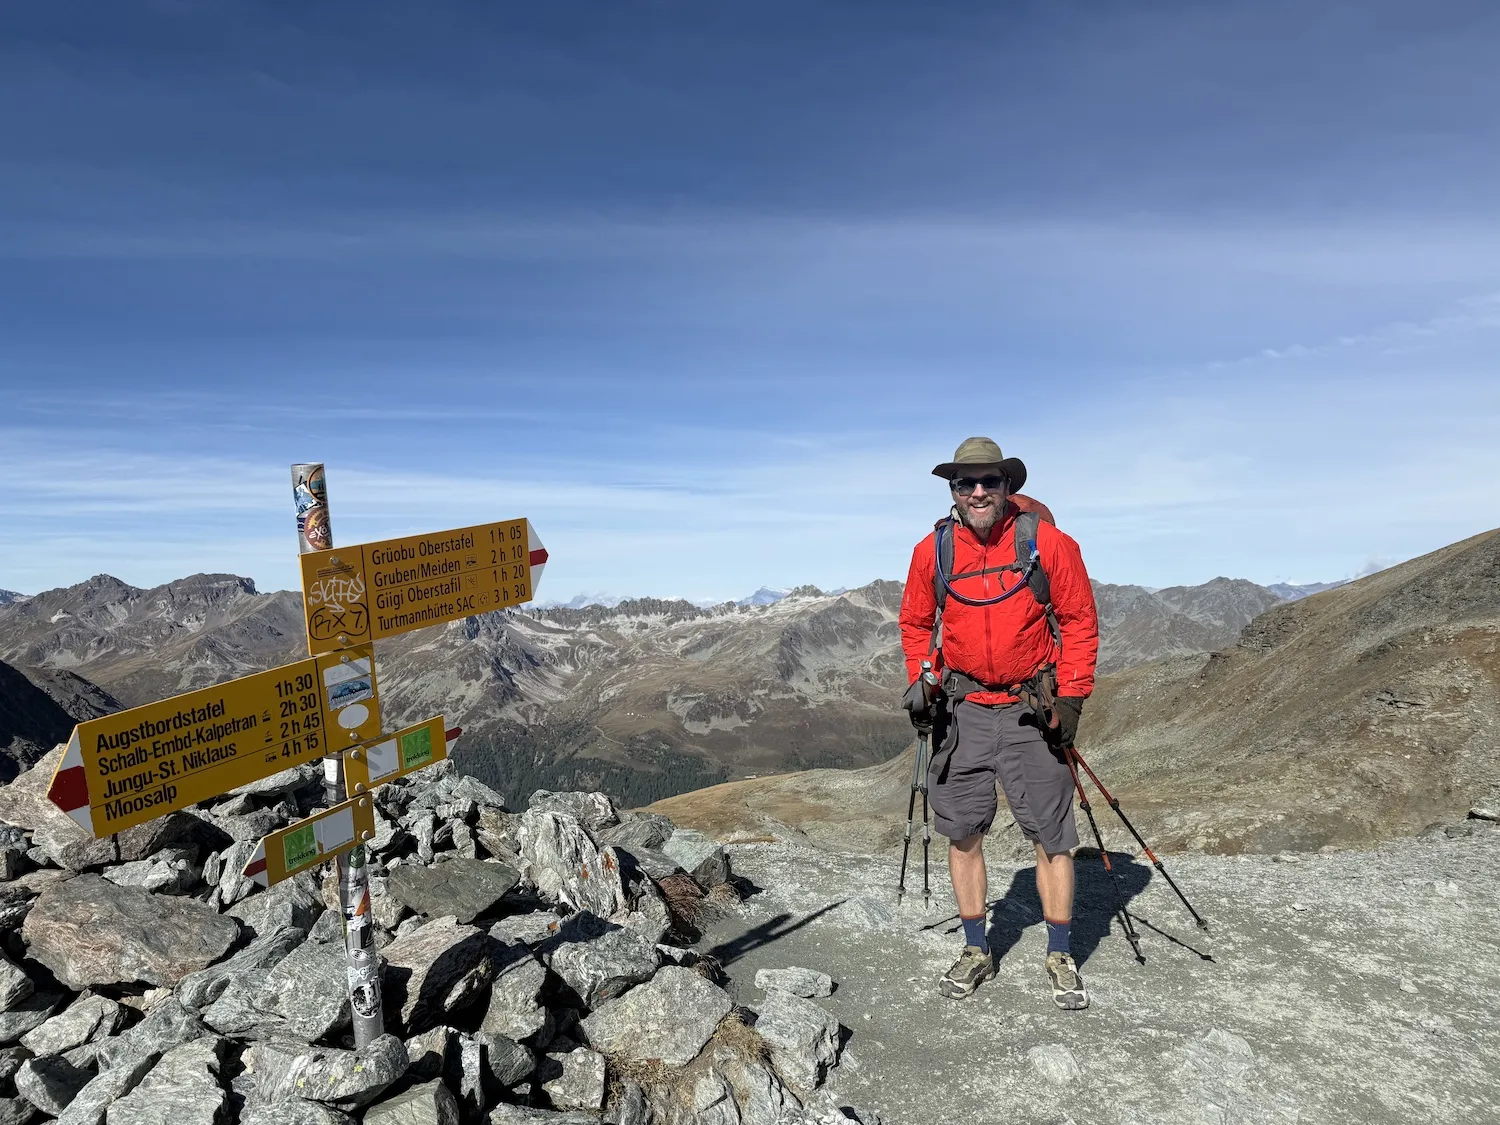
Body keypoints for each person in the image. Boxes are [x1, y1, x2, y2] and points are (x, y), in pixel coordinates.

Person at [898, 437, 1100, 1008]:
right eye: (966, 483)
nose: (978, 491)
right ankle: (975, 948)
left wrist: (1073, 698)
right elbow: (915, 622)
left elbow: (1079, 621)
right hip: (963, 711)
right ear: (953, 491)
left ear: (1008, 485)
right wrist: (924, 679)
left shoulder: (1049, 544)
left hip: (1027, 709)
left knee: (1053, 834)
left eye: (989, 481)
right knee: (963, 830)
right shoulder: (931, 551)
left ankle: (1059, 952)